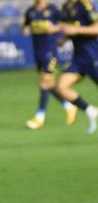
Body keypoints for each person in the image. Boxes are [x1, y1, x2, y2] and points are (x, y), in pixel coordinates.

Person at [22, 0, 77, 128]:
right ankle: (69, 106)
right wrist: (26, 29)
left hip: (51, 51)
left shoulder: (54, 10)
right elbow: (25, 27)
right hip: (38, 52)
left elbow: (67, 24)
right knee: (49, 85)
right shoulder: (31, 11)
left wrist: (55, 28)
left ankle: (40, 116)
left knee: (43, 83)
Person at [57, 0, 98, 133]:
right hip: (78, 58)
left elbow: (96, 28)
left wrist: (77, 30)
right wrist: (64, 39)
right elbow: (70, 29)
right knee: (62, 87)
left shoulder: (85, 5)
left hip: (93, 55)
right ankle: (90, 110)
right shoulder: (65, 7)